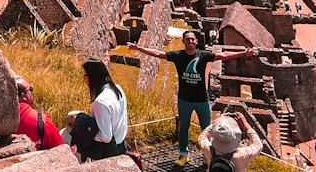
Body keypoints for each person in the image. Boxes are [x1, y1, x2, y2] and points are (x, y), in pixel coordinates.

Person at [129, 30, 258, 166]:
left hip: (202, 99)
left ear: (196, 41)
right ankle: (183, 154)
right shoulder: (178, 55)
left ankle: (207, 155)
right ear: (183, 41)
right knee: (184, 127)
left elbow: (223, 55)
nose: (190, 41)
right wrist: (139, 48)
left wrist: (244, 53)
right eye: (188, 39)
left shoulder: (203, 55)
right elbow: (158, 53)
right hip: (185, 99)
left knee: (207, 129)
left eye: (193, 39)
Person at [65, 60, 127, 160]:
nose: (84, 78)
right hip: (122, 146)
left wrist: (86, 132)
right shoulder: (118, 89)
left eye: (85, 75)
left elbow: (106, 137)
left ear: (91, 76)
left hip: (108, 152)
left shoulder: (100, 101)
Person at [14, 76, 63, 149]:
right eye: (30, 89)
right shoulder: (42, 121)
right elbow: (61, 148)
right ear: (23, 96)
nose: (31, 92)